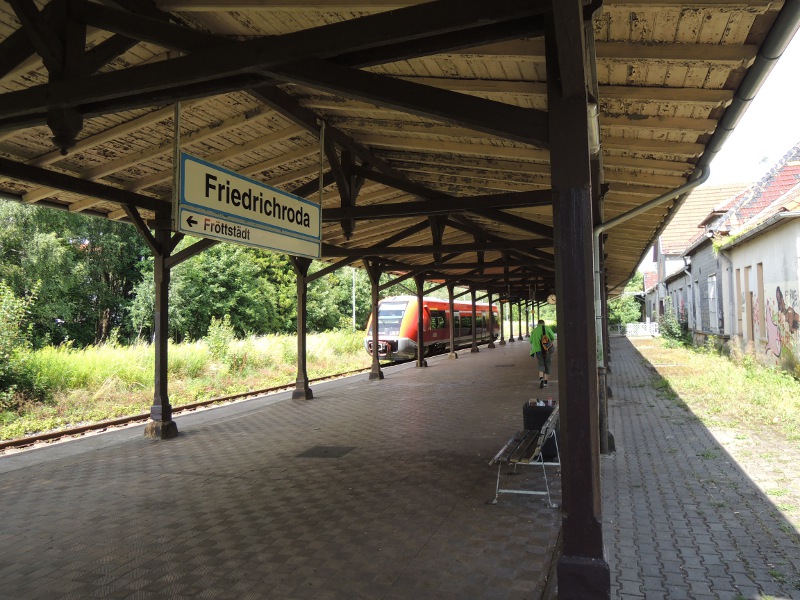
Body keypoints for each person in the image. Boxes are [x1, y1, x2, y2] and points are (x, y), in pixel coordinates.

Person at [530, 319, 556, 389]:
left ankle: (541, 378)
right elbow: (553, 337)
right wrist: (548, 342)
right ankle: (545, 382)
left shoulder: (534, 331)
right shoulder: (547, 328)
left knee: (541, 364)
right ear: (543, 323)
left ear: (538, 324)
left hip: (538, 350)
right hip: (547, 350)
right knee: (547, 364)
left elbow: (531, 341)